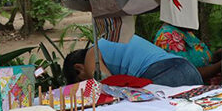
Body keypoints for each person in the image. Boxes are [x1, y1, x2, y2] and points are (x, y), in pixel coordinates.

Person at [63, 35, 202, 88]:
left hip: (164, 74)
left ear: (79, 69)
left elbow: (109, 87)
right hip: (188, 69)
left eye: (82, 82)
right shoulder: (109, 41)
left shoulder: (91, 54)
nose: (88, 85)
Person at [153, 24, 222, 82]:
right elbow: (185, 74)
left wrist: (215, 56)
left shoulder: (185, 31)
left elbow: (198, 59)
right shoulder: (169, 36)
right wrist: (221, 64)